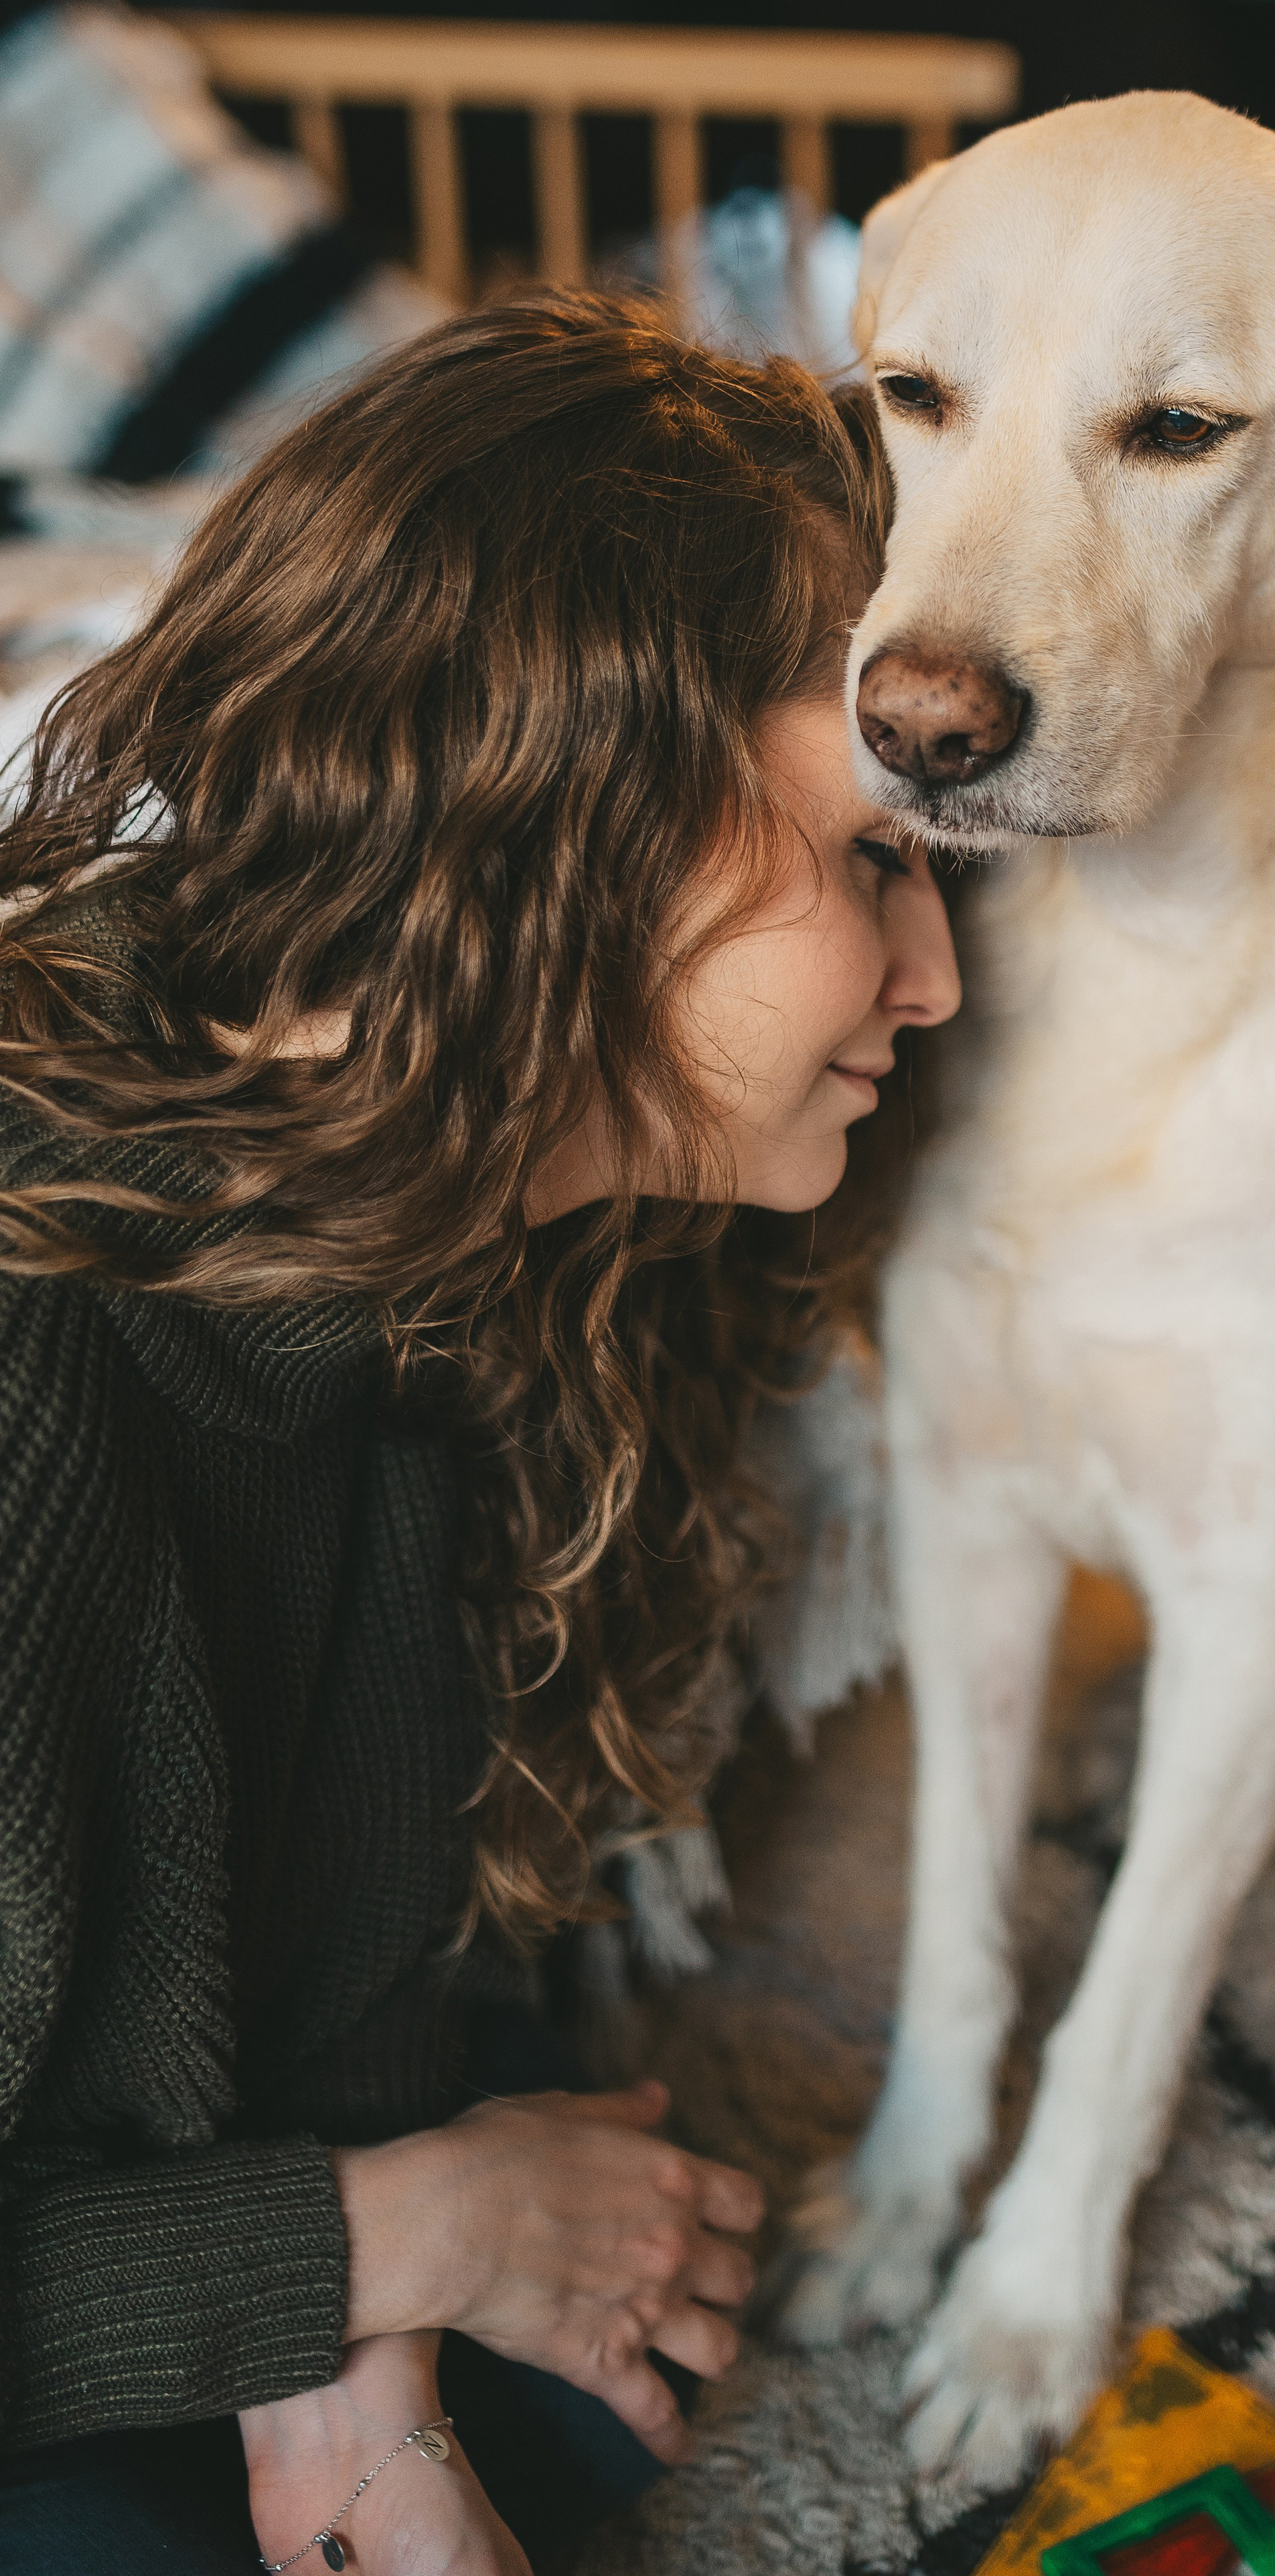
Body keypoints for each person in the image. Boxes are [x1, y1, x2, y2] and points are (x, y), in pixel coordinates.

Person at [0, 291, 959, 2573]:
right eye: (877, 858)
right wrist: (389, 2241)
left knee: (616, 2371)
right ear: (576, 825)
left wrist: (366, 2396)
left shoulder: (451, 1239)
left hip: (121, 2170)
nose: (935, 985)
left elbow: (335, 1905)